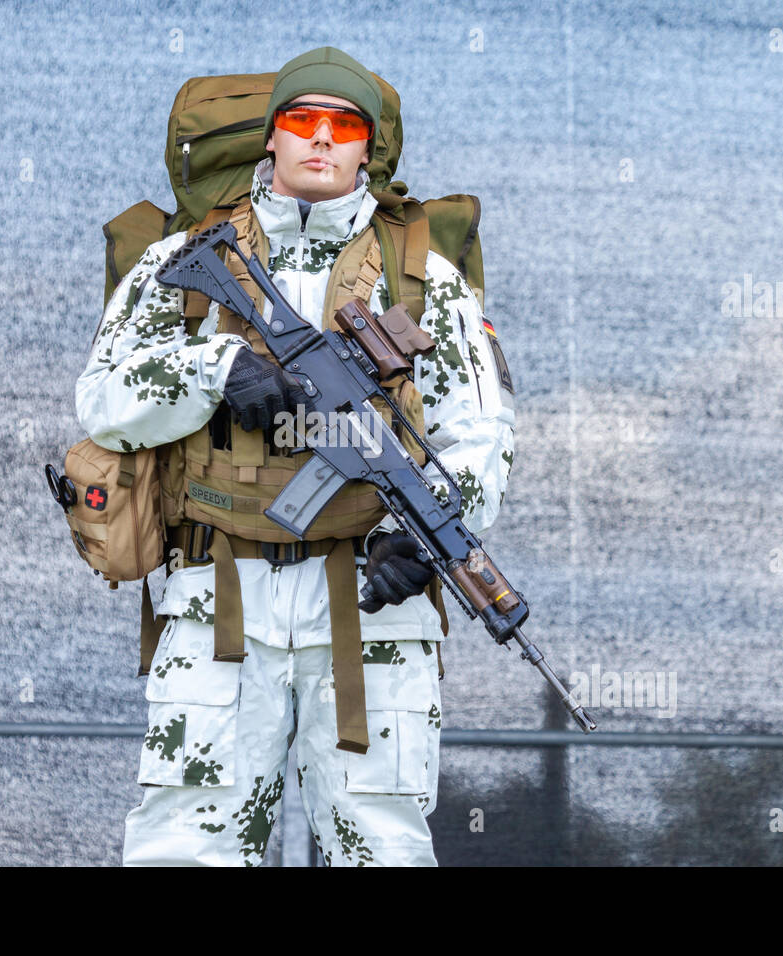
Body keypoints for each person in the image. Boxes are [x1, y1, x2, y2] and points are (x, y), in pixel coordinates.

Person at [75, 46, 514, 866]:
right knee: (183, 851)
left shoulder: (425, 278)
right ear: (270, 138)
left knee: (382, 850)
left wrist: (426, 543)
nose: (321, 139)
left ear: (367, 149)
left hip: (372, 609)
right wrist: (214, 367)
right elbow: (103, 398)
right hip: (218, 603)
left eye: (342, 125)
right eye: (300, 121)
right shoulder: (184, 264)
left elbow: (481, 435)